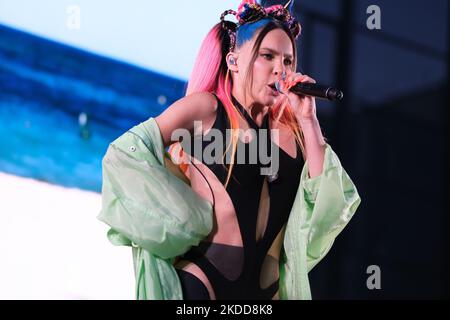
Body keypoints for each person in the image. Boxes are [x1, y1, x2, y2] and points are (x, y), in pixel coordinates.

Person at [98, 0, 361, 300]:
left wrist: (309, 120)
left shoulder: (296, 132)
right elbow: (127, 151)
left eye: (288, 61)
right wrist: (185, 217)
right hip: (203, 285)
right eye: (268, 56)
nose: (281, 69)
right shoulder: (206, 110)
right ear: (234, 61)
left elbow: (329, 200)